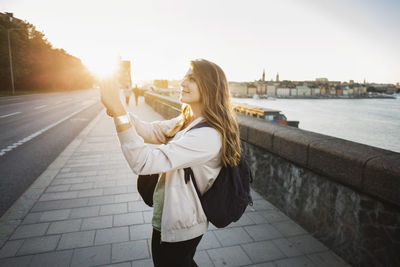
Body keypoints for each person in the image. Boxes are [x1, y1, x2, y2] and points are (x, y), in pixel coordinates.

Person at [101, 59, 241, 267]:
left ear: (211, 87)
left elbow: (143, 162)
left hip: (180, 225)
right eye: (185, 77)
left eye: (192, 79)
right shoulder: (188, 121)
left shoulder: (208, 135)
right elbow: (152, 130)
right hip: (170, 214)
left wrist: (120, 114)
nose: (183, 82)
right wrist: (119, 110)